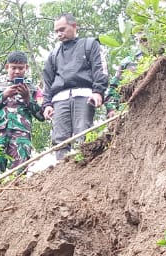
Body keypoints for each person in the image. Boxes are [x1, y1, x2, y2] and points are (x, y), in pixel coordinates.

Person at [41, 13, 109, 156]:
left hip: (83, 95)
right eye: (56, 31)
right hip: (59, 99)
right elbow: (47, 82)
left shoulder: (90, 44)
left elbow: (100, 69)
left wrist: (98, 91)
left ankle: (84, 166)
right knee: (60, 140)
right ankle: (63, 172)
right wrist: (47, 104)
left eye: (62, 29)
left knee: (83, 133)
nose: (59, 34)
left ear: (74, 26)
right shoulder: (54, 54)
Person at [0, 51, 46, 181]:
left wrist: (28, 98)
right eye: (13, 67)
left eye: (20, 68)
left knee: (20, 173)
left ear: (26, 68)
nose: (17, 71)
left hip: (22, 135)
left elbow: (42, 116)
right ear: (7, 67)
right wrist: (3, 95)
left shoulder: (33, 89)